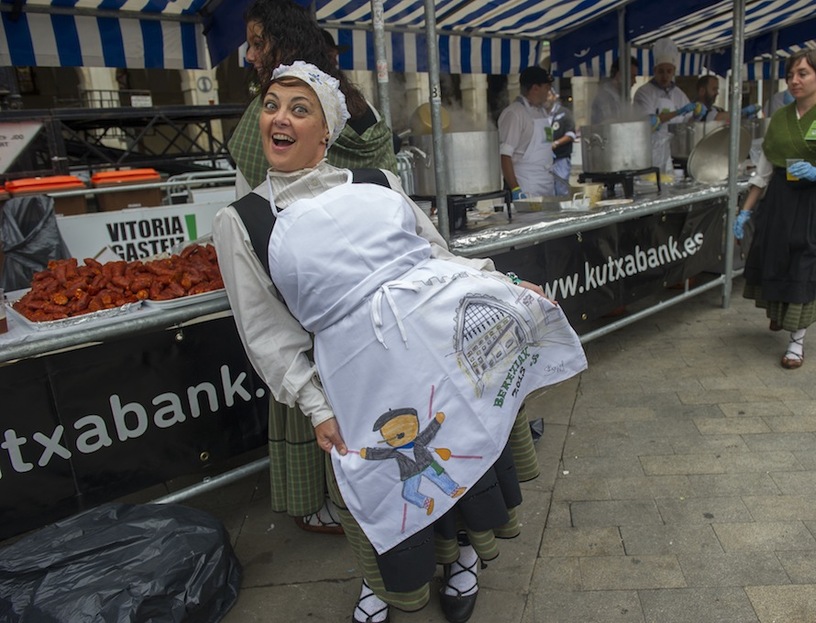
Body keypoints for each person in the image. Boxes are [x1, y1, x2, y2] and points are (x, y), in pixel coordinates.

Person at [213, 61, 587, 623]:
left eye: (299, 108)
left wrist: (505, 284)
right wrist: (315, 405)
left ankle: (464, 558)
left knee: (459, 458)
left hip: (439, 356)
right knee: (377, 484)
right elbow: (264, 330)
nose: (279, 118)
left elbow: (437, 257)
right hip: (356, 381)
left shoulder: (378, 182)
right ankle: (382, 584)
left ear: (326, 131)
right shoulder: (243, 221)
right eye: (271, 106)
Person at [225, 0, 397, 536]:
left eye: (257, 42)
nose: (249, 55)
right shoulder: (350, 102)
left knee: (318, 389)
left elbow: (259, 192)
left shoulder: (283, 113)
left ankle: (335, 501)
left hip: (307, 281)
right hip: (360, 279)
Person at [732, 48, 816, 370]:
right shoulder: (781, 119)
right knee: (777, 260)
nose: (794, 81)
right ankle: (779, 314)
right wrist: (745, 211)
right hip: (780, 202)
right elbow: (763, 172)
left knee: (807, 265)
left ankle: (796, 342)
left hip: (815, 203)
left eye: (803, 74)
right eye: (790, 75)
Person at [228, 0, 397, 198]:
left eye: (258, 44)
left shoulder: (264, 115)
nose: (249, 56)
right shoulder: (365, 108)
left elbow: (246, 197)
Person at [633, 37, 694, 173]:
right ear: (654, 70)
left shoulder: (679, 94)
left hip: (673, 153)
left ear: (674, 71)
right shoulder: (644, 93)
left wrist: (696, 115)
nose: (665, 76)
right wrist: (678, 112)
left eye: (669, 71)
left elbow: (688, 122)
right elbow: (651, 122)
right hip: (649, 152)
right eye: (661, 71)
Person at [498, 66, 556, 199]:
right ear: (535, 88)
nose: (549, 92)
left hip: (546, 184)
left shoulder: (542, 112)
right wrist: (516, 189)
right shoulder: (515, 114)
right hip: (526, 185)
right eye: (547, 88)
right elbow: (505, 156)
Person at [590, 56, 638, 125]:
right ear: (619, 75)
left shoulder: (622, 97)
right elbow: (609, 125)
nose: (635, 81)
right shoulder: (605, 98)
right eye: (632, 77)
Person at [546, 89, 576, 196]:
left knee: (561, 188)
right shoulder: (541, 115)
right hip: (546, 160)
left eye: (548, 95)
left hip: (561, 158)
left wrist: (556, 143)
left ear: (555, 97)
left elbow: (571, 134)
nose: (546, 98)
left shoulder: (564, 113)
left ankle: (562, 205)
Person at [693, 75, 761, 122]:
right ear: (702, 91)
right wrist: (742, 113)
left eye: (717, 89)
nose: (717, 93)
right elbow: (715, 117)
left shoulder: (717, 109)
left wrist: (745, 118)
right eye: (714, 89)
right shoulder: (692, 110)